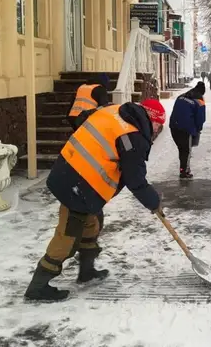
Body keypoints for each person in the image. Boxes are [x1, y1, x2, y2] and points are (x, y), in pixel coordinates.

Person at [25, 99, 167, 302]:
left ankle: (87, 271)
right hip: (77, 185)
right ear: (152, 120)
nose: (157, 131)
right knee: (68, 236)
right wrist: (154, 202)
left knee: (92, 223)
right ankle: (37, 287)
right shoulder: (132, 136)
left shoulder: (115, 111)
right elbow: (135, 180)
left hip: (72, 173)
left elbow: (83, 118)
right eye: (159, 126)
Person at [169, 82, 206, 179]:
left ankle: (183, 168)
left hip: (173, 126)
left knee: (182, 149)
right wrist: (197, 130)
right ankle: (184, 171)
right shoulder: (200, 101)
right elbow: (200, 119)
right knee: (186, 150)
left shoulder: (181, 96)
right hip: (186, 128)